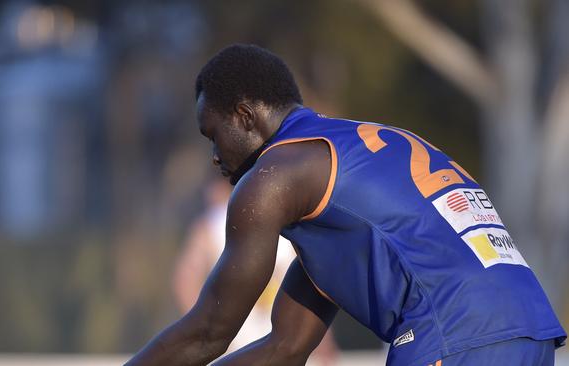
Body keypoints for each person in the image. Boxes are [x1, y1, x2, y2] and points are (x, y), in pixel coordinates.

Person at [125, 44, 566, 365]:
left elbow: (209, 332)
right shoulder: (347, 165)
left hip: (454, 334)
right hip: (530, 329)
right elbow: (286, 346)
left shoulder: (274, 175)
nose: (215, 156)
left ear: (245, 116)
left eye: (213, 135)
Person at [172, 178, 338, 364]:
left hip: (239, 344)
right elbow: (313, 282)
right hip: (281, 344)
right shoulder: (289, 221)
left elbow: (185, 279)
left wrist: (207, 333)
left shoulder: (212, 224)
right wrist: (322, 339)